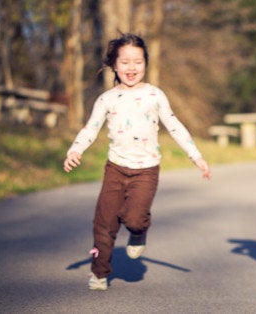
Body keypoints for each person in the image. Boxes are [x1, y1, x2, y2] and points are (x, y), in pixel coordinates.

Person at [63, 33, 211, 290]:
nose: (131, 68)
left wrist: (195, 155)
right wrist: (75, 150)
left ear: (145, 63)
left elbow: (174, 125)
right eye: (125, 62)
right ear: (115, 65)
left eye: (138, 62)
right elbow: (91, 128)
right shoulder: (107, 99)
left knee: (134, 219)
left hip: (146, 171)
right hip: (116, 169)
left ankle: (139, 231)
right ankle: (99, 273)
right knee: (104, 223)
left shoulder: (155, 95)